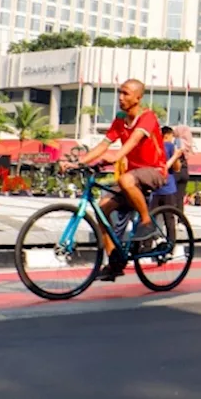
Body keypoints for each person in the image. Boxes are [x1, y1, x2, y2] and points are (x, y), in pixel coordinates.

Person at [59, 79, 167, 280]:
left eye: (126, 93)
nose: (120, 97)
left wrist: (116, 156)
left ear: (138, 97)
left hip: (154, 171)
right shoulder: (120, 119)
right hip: (133, 176)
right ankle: (114, 260)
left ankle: (146, 222)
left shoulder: (148, 117)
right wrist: (78, 162)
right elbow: (103, 145)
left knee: (126, 180)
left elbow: (134, 140)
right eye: (120, 92)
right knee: (101, 209)